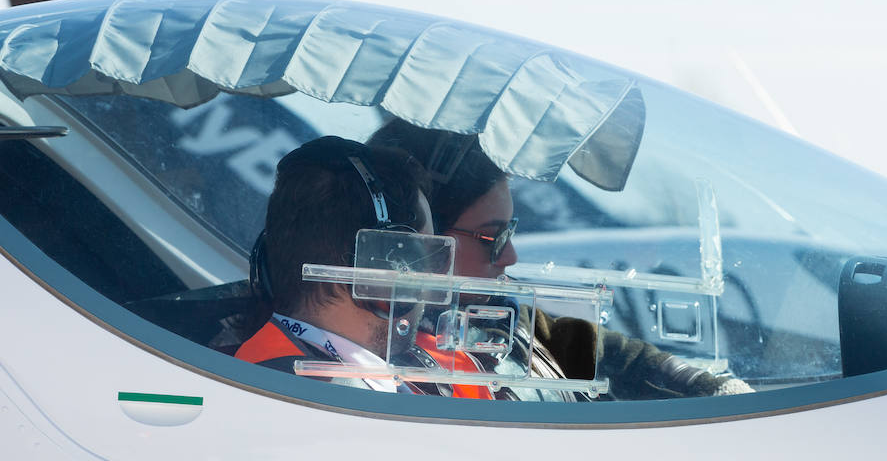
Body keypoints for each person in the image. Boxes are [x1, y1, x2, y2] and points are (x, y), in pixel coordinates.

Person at [366, 119, 751, 400]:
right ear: (419, 243)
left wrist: (709, 386)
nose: (511, 257)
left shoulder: (509, 322)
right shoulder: (371, 365)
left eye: (510, 234)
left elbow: (622, 356)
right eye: (492, 238)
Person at [235, 135, 490, 397]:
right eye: (426, 257)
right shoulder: (297, 395)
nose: (431, 276)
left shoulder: (287, 371)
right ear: (385, 263)